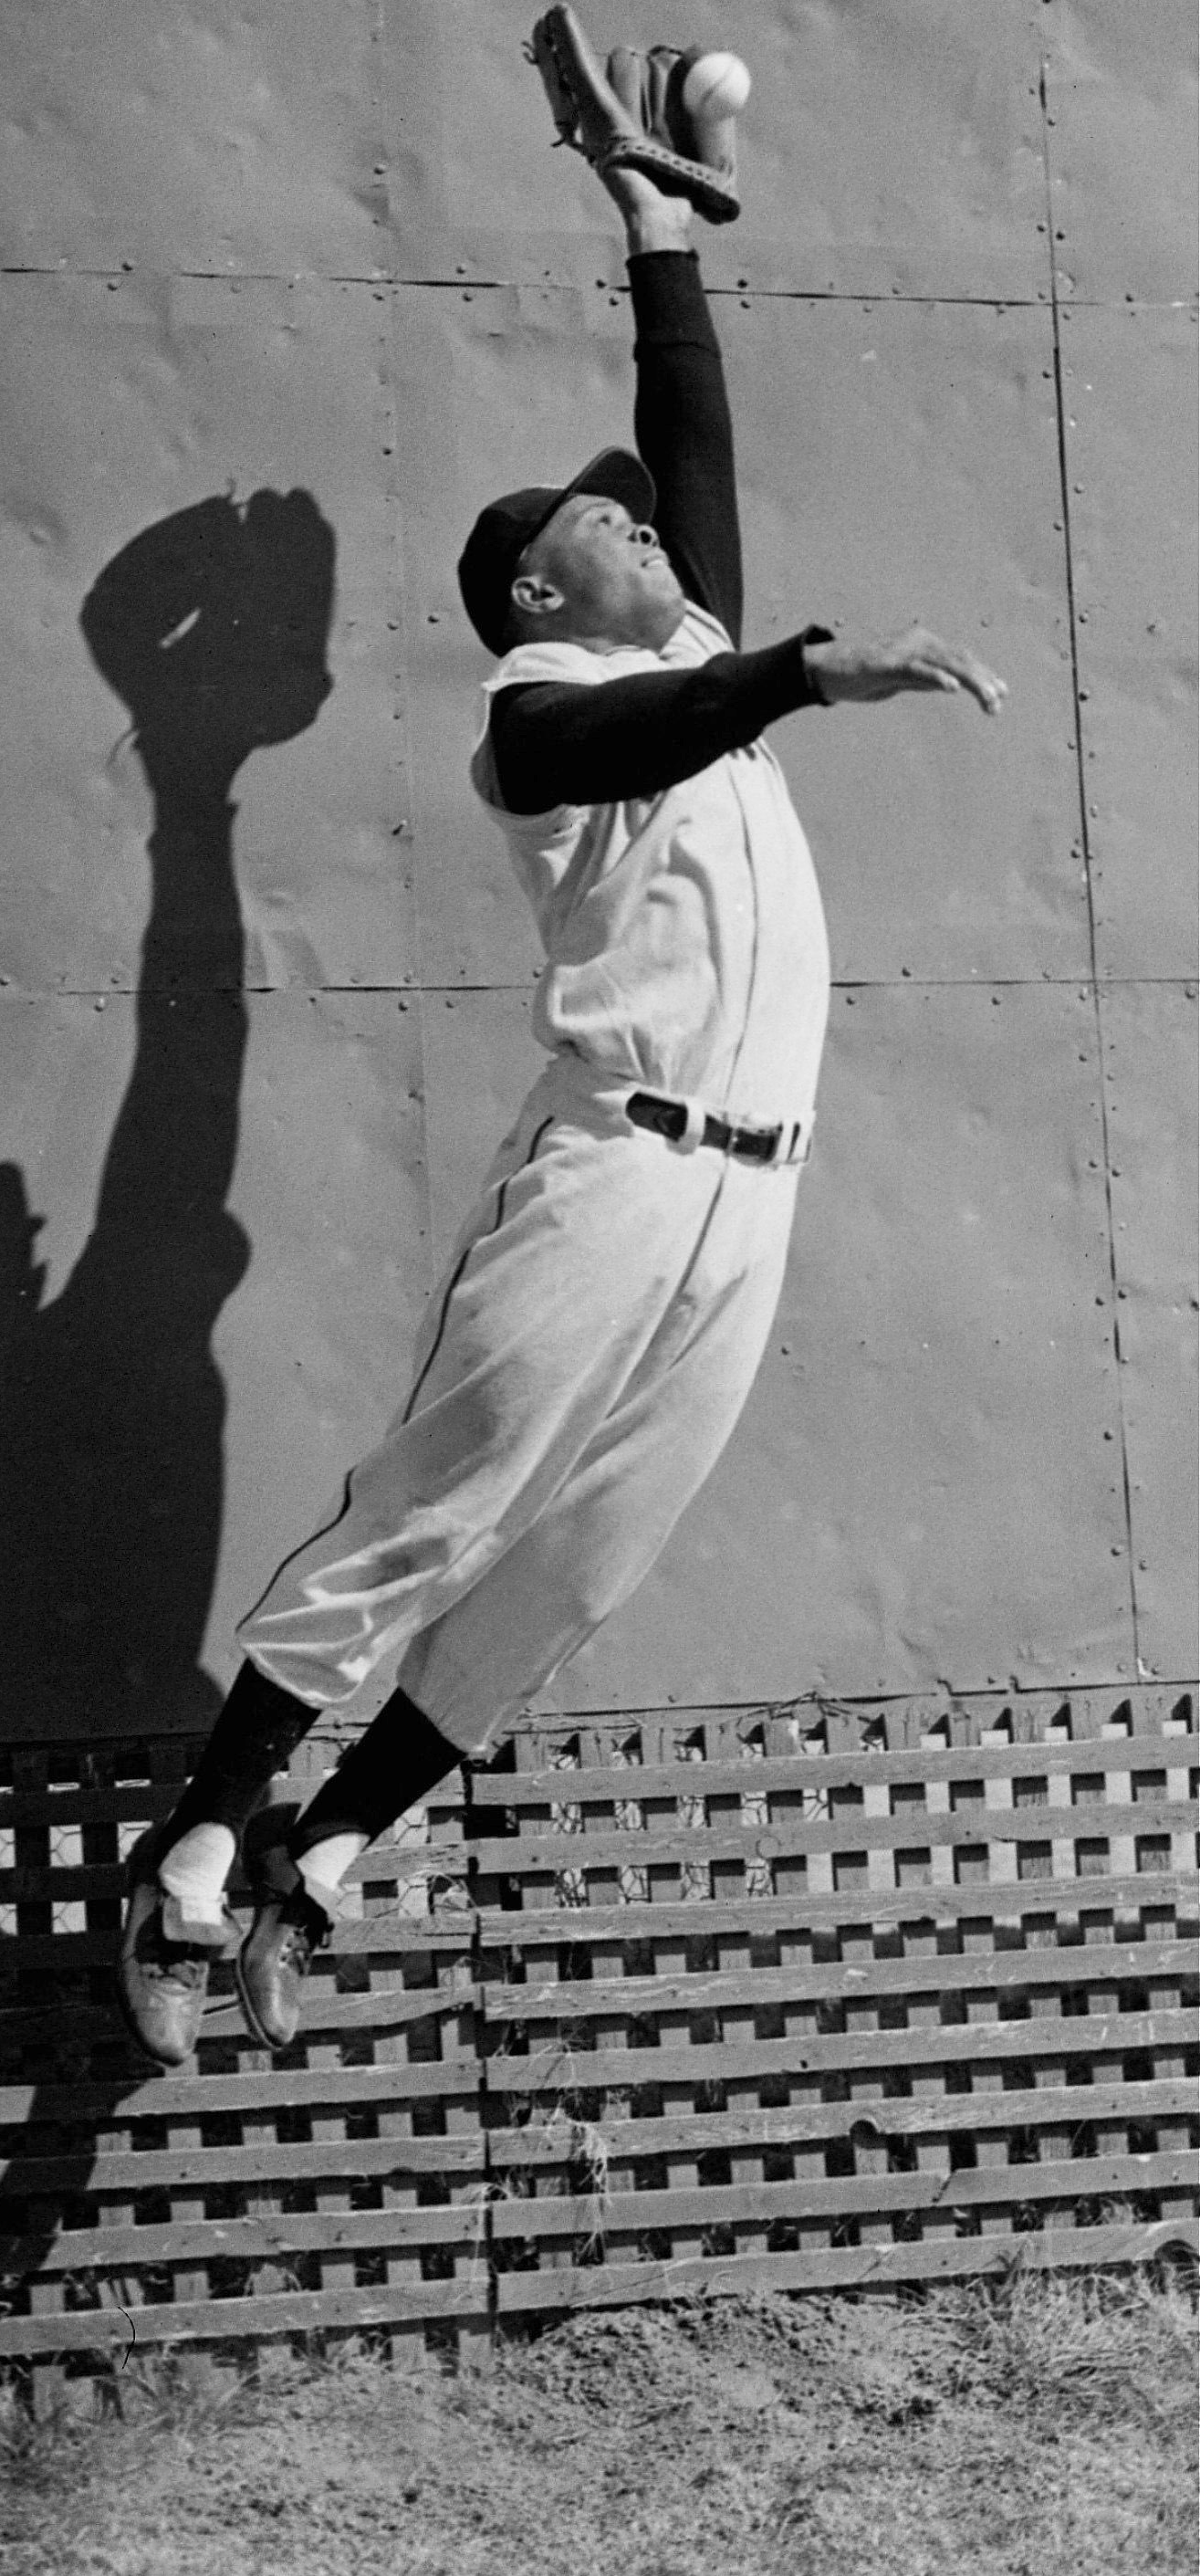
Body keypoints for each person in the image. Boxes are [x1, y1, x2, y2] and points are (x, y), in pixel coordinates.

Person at [116, 152, 1005, 2070]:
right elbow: (610, 723)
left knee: (584, 1558)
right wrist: (795, 676)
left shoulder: (685, 650)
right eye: (616, 534)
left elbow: (684, 436)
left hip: (750, 1197)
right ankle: (191, 1845)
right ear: (542, 585)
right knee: (430, 1509)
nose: (654, 533)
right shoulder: (544, 704)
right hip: (613, 1157)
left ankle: (320, 1860)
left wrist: (651, 220)